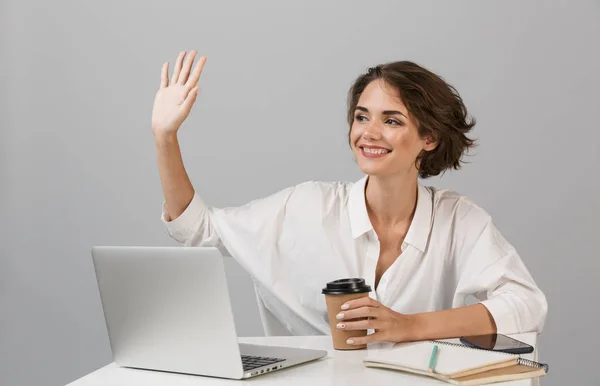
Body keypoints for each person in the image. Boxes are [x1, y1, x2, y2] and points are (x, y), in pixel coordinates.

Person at [152, 50, 547, 347]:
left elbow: (527, 304)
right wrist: (165, 138)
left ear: (429, 139)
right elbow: (198, 230)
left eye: (391, 120)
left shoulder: (460, 220)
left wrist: (408, 325)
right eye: (362, 117)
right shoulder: (306, 208)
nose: (369, 133)